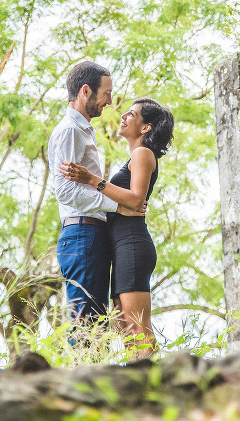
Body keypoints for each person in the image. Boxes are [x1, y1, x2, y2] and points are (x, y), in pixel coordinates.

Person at [61, 97, 174, 357]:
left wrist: (92, 179)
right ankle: (137, 387)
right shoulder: (135, 156)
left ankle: (155, 388)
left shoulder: (143, 153)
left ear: (146, 128)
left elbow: (136, 199)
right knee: (125, 329)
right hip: (122, 247)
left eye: (132, 114)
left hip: (132, 245)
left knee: (138, 329)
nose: (123, 116)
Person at [48, 61, 144, 332]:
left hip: (89, 236)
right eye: (106, 93)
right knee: (86, 327)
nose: (110, 101)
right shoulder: (70, 130)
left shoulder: (82, 130)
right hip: (82, 236)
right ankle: (82, 375)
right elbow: (65, 191)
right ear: (86, 91)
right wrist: (117, 206)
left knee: (97, 326)